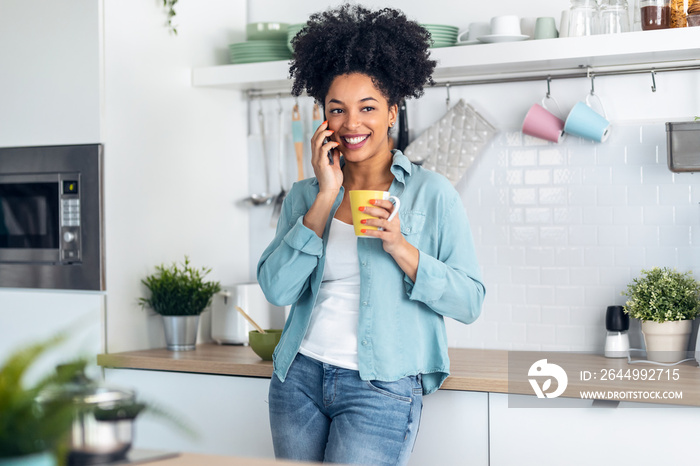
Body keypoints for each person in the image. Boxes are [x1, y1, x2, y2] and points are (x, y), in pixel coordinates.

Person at [257, 4, 485, 465]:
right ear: (323, 117)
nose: (351, 123)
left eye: (367, 108)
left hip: (380, 388)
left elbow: (470, 301)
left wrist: (401, 247)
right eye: (337, 109)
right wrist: (325, 197)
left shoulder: (431, 194)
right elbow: (276, 288)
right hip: (297, 378)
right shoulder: (305, 195)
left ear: (391, 113)